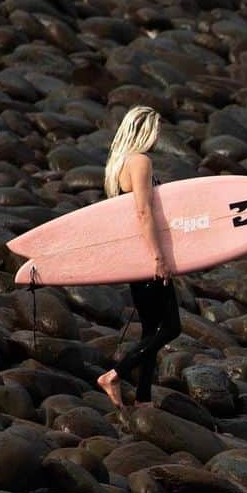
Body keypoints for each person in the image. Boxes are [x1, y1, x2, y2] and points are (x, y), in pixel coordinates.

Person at [96, 106, 180, 408]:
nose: (158, 138)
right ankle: (114, 375)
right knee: (171, 327)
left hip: (133, 257)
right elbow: (143, 213)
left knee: (150, 330)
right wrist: (158, 257)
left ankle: (142, 398)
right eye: (156, 131)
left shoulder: (117, 166)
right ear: (146, 131)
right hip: (147, 257)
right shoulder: (140, 162)